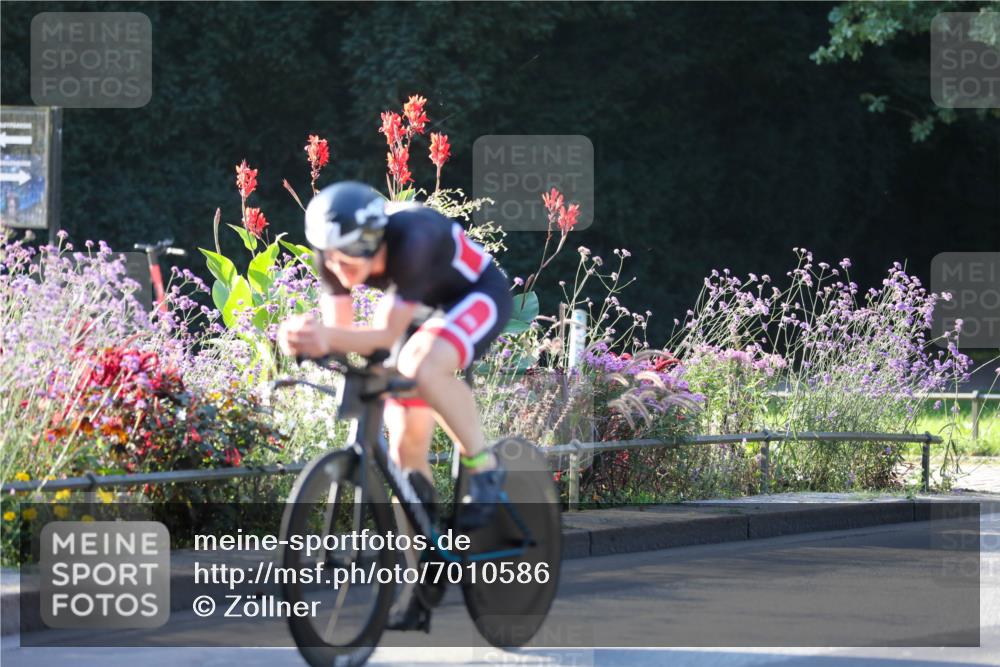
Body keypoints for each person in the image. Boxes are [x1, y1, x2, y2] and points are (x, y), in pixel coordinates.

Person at [276, 181, 512, 627]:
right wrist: (307, 341)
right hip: (418, 310)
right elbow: (345, 339)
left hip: (474, 294)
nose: (337, 269)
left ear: (371, 242)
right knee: (405, 447)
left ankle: (483, 466)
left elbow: (382, 336)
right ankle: (424, 579)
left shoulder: (414, 239)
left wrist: (328, 337)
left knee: (422, 365)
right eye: (329, 259)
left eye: (347, 260)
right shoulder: (331, 255)